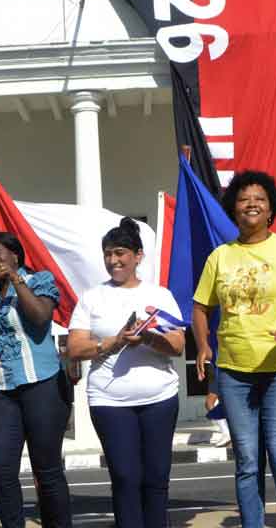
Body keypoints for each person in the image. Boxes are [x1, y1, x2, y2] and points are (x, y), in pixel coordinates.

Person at [192, 170, 276, 528]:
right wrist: (203, 344)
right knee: (248, 461)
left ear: (271, 210)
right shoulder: (219, 257)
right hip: (235, 374)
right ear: (234, 210)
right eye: (243, 199)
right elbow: (200, 307)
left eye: (260, 199)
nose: (251, 204)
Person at [67, 217, 185, 528]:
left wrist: (148, 337)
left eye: (120, 253)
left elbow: (177, 345)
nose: (113, 260)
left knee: (156, 477)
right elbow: (75, 348)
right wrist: (115, 341)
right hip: (109, 400)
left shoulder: (159, 295)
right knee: (125, 476)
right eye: (107, 254)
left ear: (138, 256)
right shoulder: (92, 298)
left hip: (159, 397)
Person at [0, 231, 72, 528]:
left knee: (46, 470)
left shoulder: (40, 281)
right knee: (1, 469)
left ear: (15, 256)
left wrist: (16, 280)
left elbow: (39, 318)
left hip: (43, 385)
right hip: (2, 389)